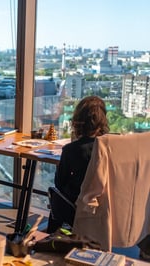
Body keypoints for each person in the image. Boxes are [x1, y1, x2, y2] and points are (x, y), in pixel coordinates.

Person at [47, 96, 109, 233]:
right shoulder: (111, 147)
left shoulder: (72, 150)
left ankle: (51, 242)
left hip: (79, 206)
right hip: (106, 204)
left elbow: (59, 183)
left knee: (55, 193)